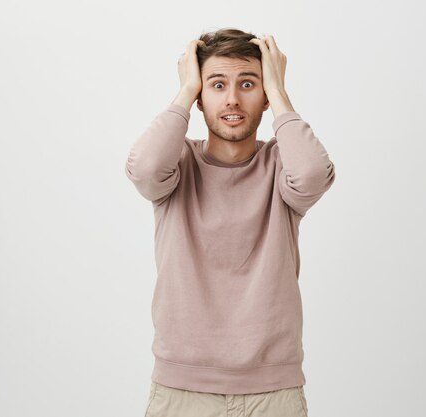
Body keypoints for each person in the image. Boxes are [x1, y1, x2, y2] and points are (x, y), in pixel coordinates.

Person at [124, 27, 336, 417]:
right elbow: (145, 169)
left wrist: (281, 93)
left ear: (266, 95)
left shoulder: (279, 167)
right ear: (201, 97)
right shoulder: (178, 165)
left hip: (273, 392)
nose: (233, 99)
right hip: (182, 390)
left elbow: (311, 175)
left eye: (249, 83)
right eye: (217, 85)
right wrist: (186, 90)